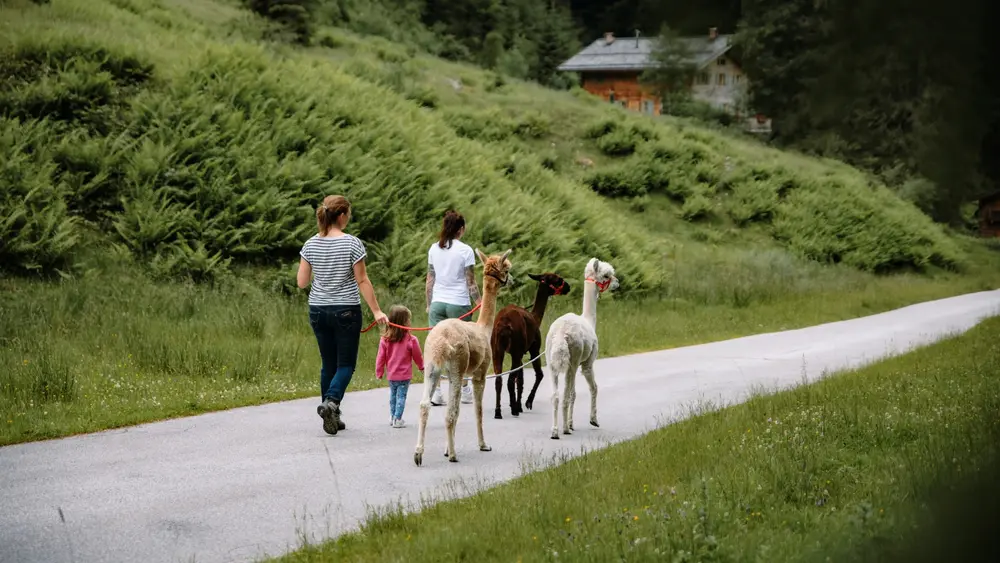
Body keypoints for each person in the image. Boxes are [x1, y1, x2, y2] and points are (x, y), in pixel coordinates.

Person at [297, 195, 388, 436]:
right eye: (348, 214)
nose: (349, 218)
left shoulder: (310, 244)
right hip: (346, 310)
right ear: (341, 216)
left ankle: (332, 416)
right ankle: (332, 403)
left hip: (317, 310)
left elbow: (301, 282)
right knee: (345, 364)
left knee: (328, 364)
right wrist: (377, 310)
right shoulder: (352, 243)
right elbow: (362, 280)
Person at [426, 210, 481, 406]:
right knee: (461, 349)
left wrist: (428, 304)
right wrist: (480, 303)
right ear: (461, 229)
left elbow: (430, 280)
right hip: (459, 305)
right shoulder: (465, 251)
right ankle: (464, 389)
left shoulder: (434, 249)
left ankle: (436, 392)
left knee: (436, 348)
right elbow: (471, 283)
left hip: (438, 304)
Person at [375, 305, 424, 429]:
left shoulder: (385, 340)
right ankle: (398, 418)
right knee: (401, 397)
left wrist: (379, 372)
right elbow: (417, 356)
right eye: (408, 320)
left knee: (393, 396)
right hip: (404, 376)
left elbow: (380, 358)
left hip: (392, 375)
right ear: (403, 323)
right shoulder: (411, 340)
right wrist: (422, 367)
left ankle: (392, 416)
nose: (409, 322)